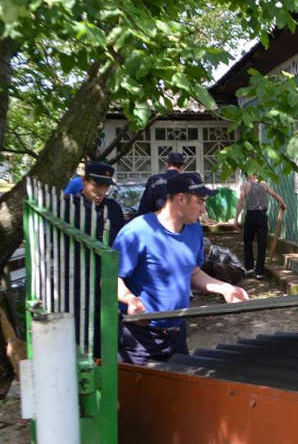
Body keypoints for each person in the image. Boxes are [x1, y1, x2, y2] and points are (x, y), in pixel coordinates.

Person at [114, 173, 249, 365]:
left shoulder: (194, 230)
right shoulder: (136, 233)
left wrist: (225, 288)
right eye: (200, 202)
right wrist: (130, 300)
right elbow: (109, 278)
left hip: (177, 333)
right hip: (141, 340)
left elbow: (192, 272)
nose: (204, 209)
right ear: (180, 199)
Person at [64, 161, 124, 358]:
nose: (101, 191)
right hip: (77, 286)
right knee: (79, 346)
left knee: (107, 344)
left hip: (106, 286)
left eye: (106, 187)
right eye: (96, 185)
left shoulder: (113, 209)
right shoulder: (68, 208)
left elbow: (119, 245)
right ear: (84, 181)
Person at [233, 173, 286, 279]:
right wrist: (282, 203)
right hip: (262, 216)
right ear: (255, 174)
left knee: (248, 241)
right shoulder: (264, 184)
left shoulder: (245, 185)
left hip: (251, 216)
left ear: (246, 175)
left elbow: (240, 202)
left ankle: (249, 268)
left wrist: (236, 219)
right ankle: (259, 272)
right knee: (262, 243)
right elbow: (274, 194)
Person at [136, 151, 185, 216]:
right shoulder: (188, 181)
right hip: (181, 221)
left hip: (158, 221)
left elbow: (145, 207)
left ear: (167, 165)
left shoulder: (154, 180)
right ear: (182, 167)